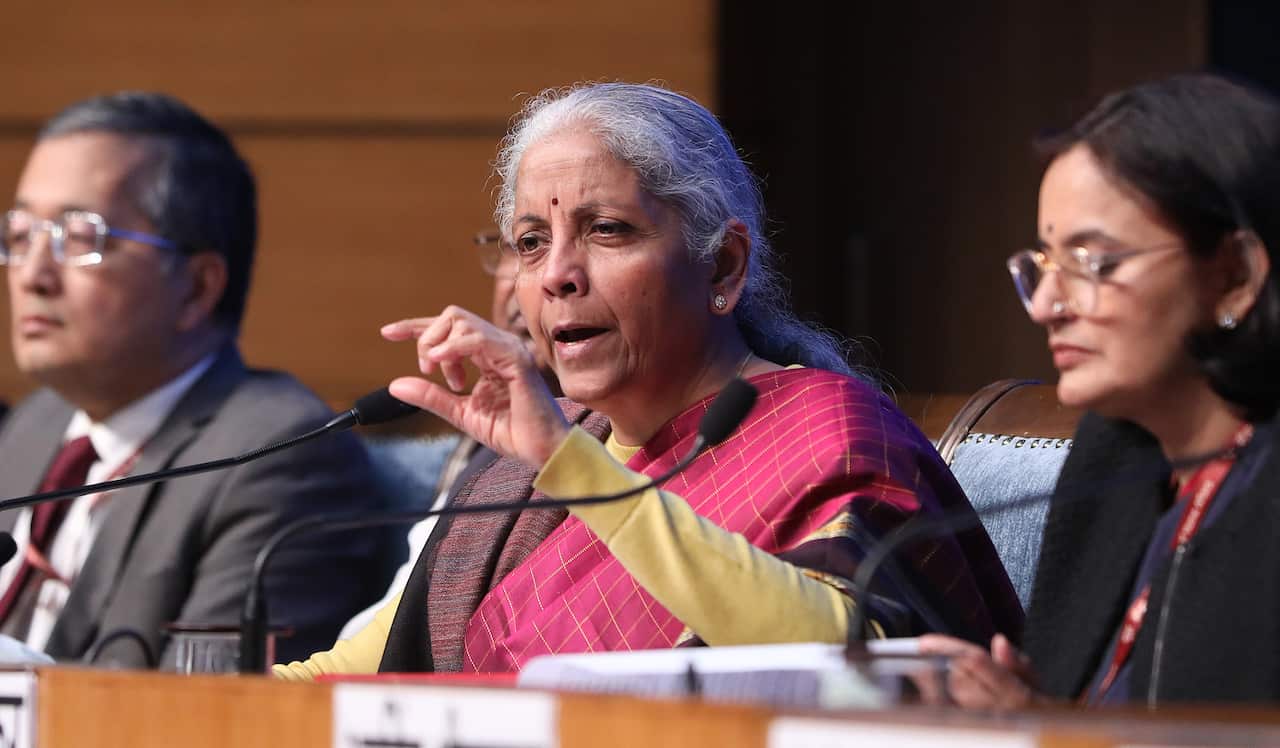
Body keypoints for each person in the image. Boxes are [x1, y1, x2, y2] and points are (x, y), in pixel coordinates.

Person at [275, 82, 1020, 680]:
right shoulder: (527, 478)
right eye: (531, 242)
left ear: (723, 266)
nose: (557, 275)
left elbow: (852, 666)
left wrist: (570, 467)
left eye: (607, 230)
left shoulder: (826, 430)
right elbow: (342, 675)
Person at [919, 74, 1280, 706]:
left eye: (1094, 263)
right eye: (1044, 266)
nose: (1046, 306)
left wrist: (1047, 735)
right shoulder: (1114, 456)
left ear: (1236, 276)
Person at [0, 92, 394, 667]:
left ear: (197, 287)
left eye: (80, 237)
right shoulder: (34, 424)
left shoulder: (278, 458)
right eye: (21, 234)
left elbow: (208, 706)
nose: (32, 274)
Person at [337, 231, 560, 640]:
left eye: (605, 231)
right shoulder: (481, 448)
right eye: (522, 246)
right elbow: (389, 630)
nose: (520, 283)